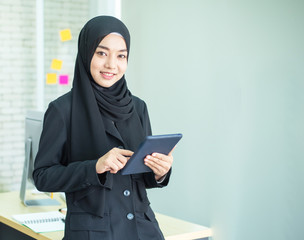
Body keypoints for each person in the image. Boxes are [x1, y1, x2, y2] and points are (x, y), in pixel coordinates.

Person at [33, 16, 174, 240]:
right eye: (101, 53)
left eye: (121, 56)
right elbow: (42, 177)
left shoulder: (137, 107)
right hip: (93, 232)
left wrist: (160, 171)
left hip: (142, 230)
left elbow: (143, 176)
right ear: (86, 52)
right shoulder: (62, 110)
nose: (111, 64)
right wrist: (95, 166)